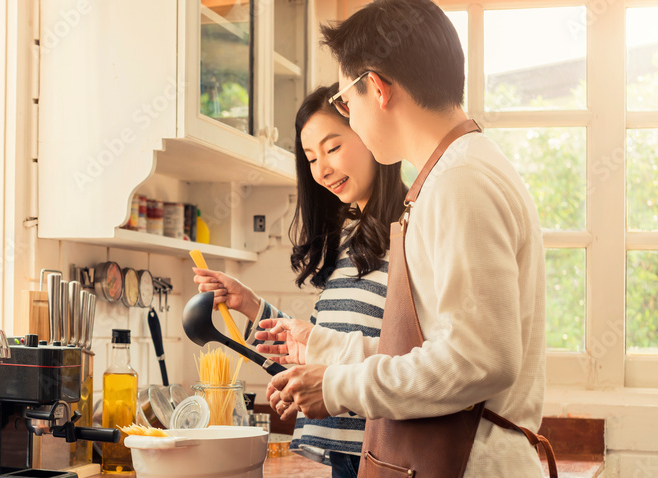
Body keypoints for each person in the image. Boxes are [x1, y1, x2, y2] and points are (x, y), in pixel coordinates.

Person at [262, 0, 549, 476]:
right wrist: (322, 347)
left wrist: (337, 387)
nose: (348, 117)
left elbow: (478, 361)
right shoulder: (454, 170)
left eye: (345, 103)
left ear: (375, 87)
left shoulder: (461, 180)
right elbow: (429, 350)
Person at [193, 83, 408, 477]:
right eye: (311, 157)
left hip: (391, 452)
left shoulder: (413, 234)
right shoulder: (348, 240)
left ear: (368, 131)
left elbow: (415, 359)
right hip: (347, 451)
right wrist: (251, 305)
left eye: (332, 147)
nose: (322, 169)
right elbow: (323, 349)